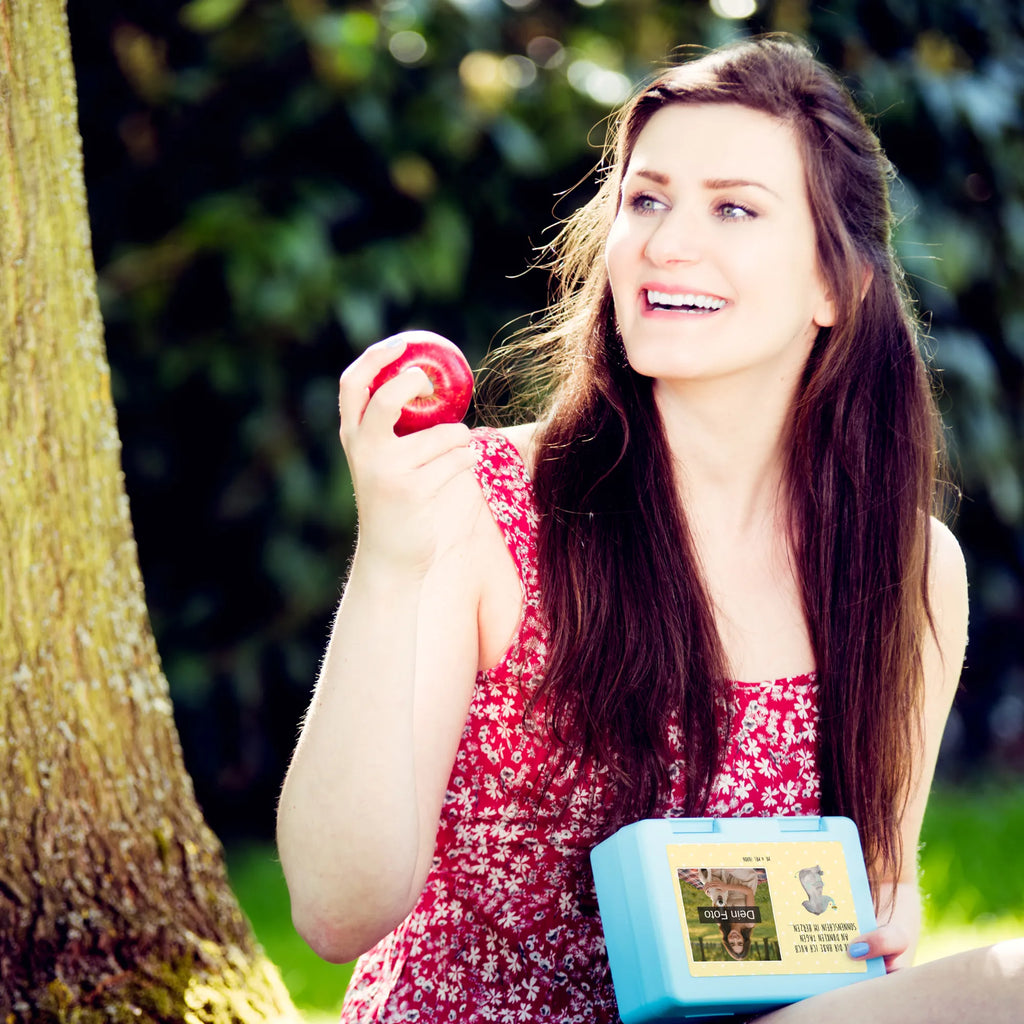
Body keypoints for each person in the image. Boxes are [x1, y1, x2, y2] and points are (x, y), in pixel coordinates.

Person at [276, 34, 1023, 1023]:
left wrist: (885, 907)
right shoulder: (483, 508)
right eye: (645, 198)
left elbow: (871, 902)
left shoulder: (909, 570)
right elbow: (335, 912)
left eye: (732, 207)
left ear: (833, 287)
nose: (667, 241)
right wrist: (393, 556)